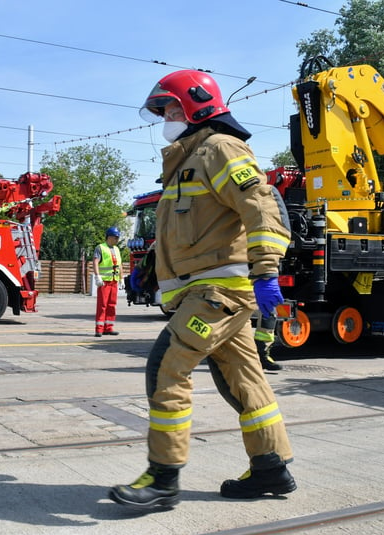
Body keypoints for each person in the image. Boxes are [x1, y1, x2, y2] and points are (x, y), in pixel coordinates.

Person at [109, 70, 295, 509]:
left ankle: (162, 478)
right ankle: (270, 468)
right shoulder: (186, 161)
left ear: (197, 106)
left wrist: (267, 271)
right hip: (209, 290)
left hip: (218, 293)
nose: (166, 118)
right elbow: (192, 233)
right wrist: (151, 272)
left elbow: (262, 206)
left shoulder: (219, 148)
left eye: (172, 109)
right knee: (246, 382)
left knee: (165, 369)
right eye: (163, 111)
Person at [92, 227, 122, 337]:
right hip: (104, 282)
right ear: (109, 237)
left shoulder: (117, 249)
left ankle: (108, 328)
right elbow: (95, 262)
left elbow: (120, 265)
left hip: (114, 281)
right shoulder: (100, 248)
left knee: (112, 305)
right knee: (102, 305)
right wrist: (97, 276)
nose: (117, 240)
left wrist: (121, 278)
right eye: (116, 237)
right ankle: (99, 329)